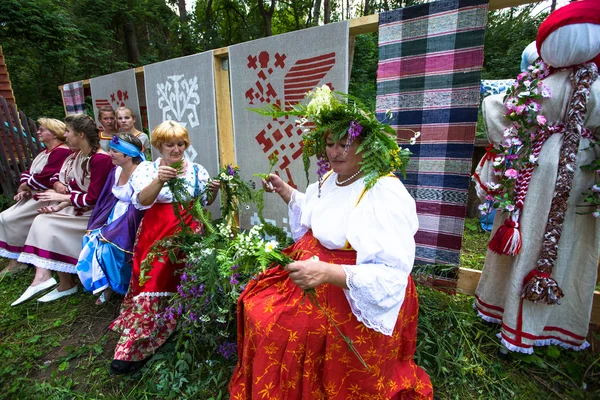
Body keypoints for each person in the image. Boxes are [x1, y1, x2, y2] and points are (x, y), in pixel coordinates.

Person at [228, 86, 433, 399]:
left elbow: (394, 273)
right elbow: (317, 212)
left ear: (365, 145)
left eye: (344, 144)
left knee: (292, 333)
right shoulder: (329, 178)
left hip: (349, 287)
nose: (335, 152)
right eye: (329, 144)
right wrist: (286, 191)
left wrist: (328, 273)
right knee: (257, 305)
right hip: (312, 269)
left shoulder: (383, 191)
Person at [474, 0, 600, 354]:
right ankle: (551, 324)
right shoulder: (593, 87)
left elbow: (499, 108)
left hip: (541, 169)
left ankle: (511, 315)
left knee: (529, 240)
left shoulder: (540, 84)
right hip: (582, 174)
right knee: (569, 246)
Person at [109, 120, 220, 374]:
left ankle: (180, 325)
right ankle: (135, 347)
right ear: (159, 145)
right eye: (170, 144)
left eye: (181, 144)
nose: (176, 149)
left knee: (185, 281)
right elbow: (141, 202)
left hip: (189, 235)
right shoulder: (147, 170)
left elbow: (204, 203)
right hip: (156, 235)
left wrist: (213, 191)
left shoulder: (196, 170)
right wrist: (159, 180)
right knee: (154, 281)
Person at [11, 114, 114, 306]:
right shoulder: (78, 155)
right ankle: (54, 280)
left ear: (81, 135)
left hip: (95, 215)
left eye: (68, 132)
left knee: (46, 223)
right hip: (78, 208)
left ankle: (48, 279)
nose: (65, 135)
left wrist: (62, 198)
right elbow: (66, 182)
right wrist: (58, 204)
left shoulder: (100, 159)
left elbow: (94, 198)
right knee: (44, 219)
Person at [75, 133, 146, 304]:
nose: (109, 154)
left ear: (127, 155)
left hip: (134, 219)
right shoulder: (116, 171)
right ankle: (106, 286)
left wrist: (113, 230)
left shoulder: (143, 173)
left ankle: (125, 287)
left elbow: (140, 206)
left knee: (108, 248)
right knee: (92, 239)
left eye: (114, 151)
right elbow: (107, 199)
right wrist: (100, 223)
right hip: (115, 215)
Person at [0, 118, 72, 277]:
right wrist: (24, 185)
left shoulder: (61, 151)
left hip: (46, 196)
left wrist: (24, 186)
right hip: (33, 194)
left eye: (42, 129)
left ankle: (18, 261)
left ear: (54, 133)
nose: (38, 132)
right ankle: (17, 257)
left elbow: (45, 178)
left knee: (10, 219)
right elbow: (28, 172)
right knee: (4, 217)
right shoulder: (45, 152)